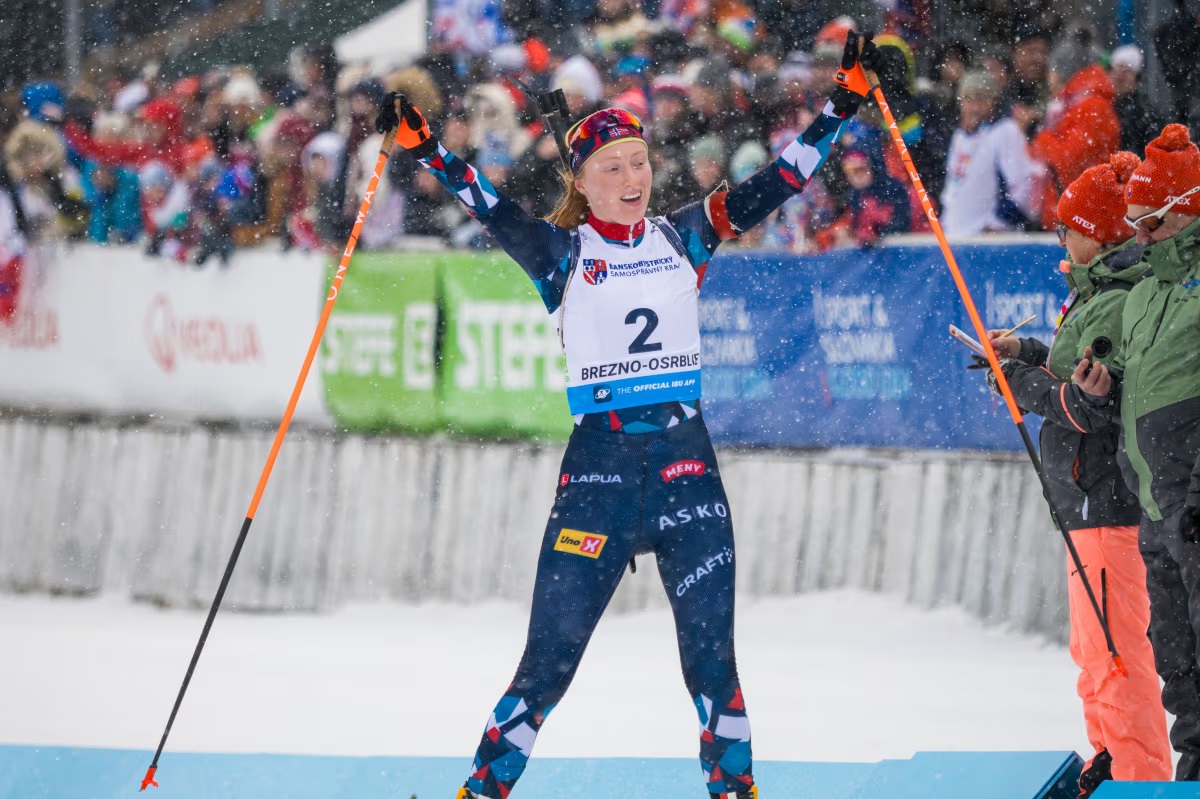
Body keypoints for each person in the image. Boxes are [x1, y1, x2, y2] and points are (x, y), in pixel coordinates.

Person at [375, 31, 880, 799]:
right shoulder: (560, 254)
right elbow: (486, 201)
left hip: (686, 468)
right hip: (600, 477)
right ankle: (482, 789)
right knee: (547, 664)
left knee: (714, 665)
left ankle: (733, 788)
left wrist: (841, 106)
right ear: (583, 179)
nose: (633, 175)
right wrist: (425, 150)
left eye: (640, 161)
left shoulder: (686, 234)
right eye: (613, 167)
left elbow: (780, 179)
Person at [983, 152, 1171, 796]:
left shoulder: (1117, 302)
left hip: (1108, 502)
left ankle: (1140, 777)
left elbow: (1092, 406)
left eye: (1070, 227)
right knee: (1093, 654)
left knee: (1119, 656)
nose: (1062, 237)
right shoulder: (1093, 296)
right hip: (1082, 502)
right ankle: (1111, 760)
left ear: (1099, 230)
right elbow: (1070, 375)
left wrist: (1022, 382)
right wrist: (1026, 354)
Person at [1070, 123, 1200, 781]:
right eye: (1134, 225)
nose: (1138, 238)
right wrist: (1095, 396)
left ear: (1184, 213)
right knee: (1178, 665)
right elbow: (1130, 399)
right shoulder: (1150, 288)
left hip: (1186, 505)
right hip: (1156, 509)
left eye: (1151, 226)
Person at [939, 70, 1041, 236]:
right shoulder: (959, 135)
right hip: (955, 237)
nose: (974, 106)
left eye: (981, 98)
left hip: (988, 242)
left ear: (993, 101)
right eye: (968, 99)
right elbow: (953, 186)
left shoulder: (1005, 131)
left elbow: (1023, 188)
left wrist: (996, 225)